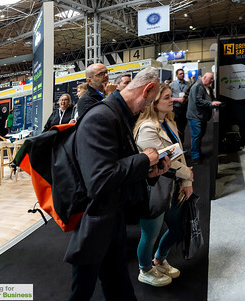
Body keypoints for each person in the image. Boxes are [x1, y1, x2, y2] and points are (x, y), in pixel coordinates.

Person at [68, 67, 171, 301]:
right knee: (82, 291)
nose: (147, 108)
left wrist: (148, 172)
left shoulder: (117, 115)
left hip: (111, 218)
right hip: (94, 221)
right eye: (151, 101)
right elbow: (99, 180)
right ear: (147, 89)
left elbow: (118, 165)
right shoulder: (100, 117)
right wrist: (144, 159)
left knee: (118, 285)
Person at [133, 83, 193, 287]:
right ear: (154, 103)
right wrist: (188, 175)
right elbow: (161, 162)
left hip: (175, 186)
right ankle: (145, 269)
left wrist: (186, 180)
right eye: (167, 97)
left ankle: (159, 260)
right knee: (150, 234)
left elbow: (179, 156)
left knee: (177, 229)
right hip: (155, 189)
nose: (172, 100)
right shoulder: (147, 128)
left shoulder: (169, 122)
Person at [187, 73, 221, 164]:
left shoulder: (208, 88)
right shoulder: (197, 86)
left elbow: (209, 99)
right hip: (195, 116)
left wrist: (213, 102)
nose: (212, 81)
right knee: (196, 136)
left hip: (203, 116)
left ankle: (197, 152)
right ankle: (195, 156)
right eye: (210, 79)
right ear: (204, 77)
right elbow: (198, 101)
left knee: (199, 136)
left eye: (212, 79)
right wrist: (211, 104)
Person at [169, 69, 190, 141]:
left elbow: (190, 95)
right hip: (175, 109)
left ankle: (182, 144)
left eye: (183, 73)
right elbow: (168, 98)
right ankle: (176, 144)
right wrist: (177, 99)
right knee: (175, 127)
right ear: (176, 75)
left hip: (185, 109)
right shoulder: (172, 85)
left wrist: (187, 99)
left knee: (183, 128)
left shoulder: (188, 84)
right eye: (180, 74)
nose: (182, 75)